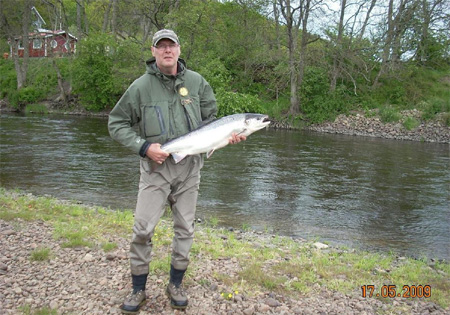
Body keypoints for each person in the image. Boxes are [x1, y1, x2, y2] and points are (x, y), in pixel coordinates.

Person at [108, 29, 245, 313]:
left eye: (172, 46)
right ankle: (138, 289)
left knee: (185, 228)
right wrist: (144, 147)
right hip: (155, 169)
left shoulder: (197, 83)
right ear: (154, 51)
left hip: (190, 170)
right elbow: (117, 123)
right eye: (162, 46)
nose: (167, 50)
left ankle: (175, 284)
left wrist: (227, 136)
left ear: (179, 50)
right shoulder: (139, 87)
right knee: (142, 229)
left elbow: (212, 121)